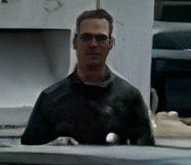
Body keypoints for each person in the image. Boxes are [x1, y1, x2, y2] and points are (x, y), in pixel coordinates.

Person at [22, 9, 155, 147]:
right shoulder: (50, 98)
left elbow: (145, 152)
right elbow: (29, 152)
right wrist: (52, 146)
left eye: (101, 38)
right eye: (86, 38)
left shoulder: (129, 98)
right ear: (75, 42)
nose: (93, 44)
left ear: (111, 43)